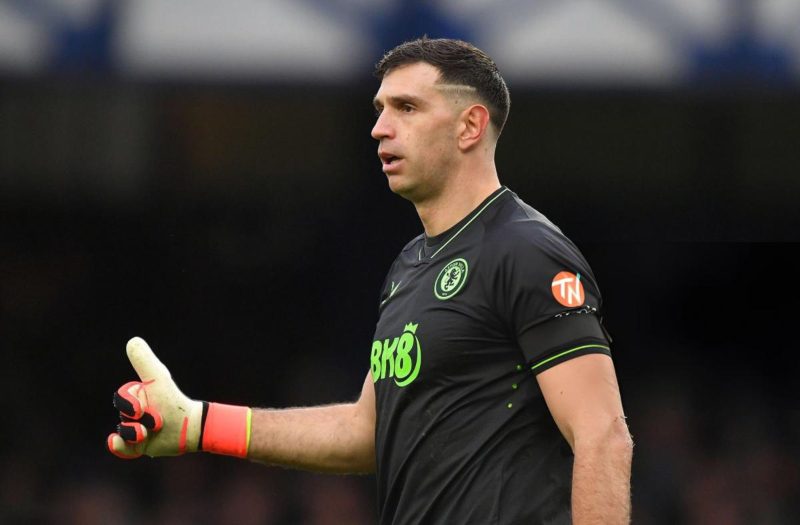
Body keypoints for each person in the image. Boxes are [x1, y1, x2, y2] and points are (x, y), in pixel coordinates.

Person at [108, 37, 633, 524]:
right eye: (380, 109)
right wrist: (200, 423)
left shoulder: (526, 250)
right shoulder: (410, 265)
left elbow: (603, 434)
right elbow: (364, 431)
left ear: (470, 126)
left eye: (407, 108)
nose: (380, 128)